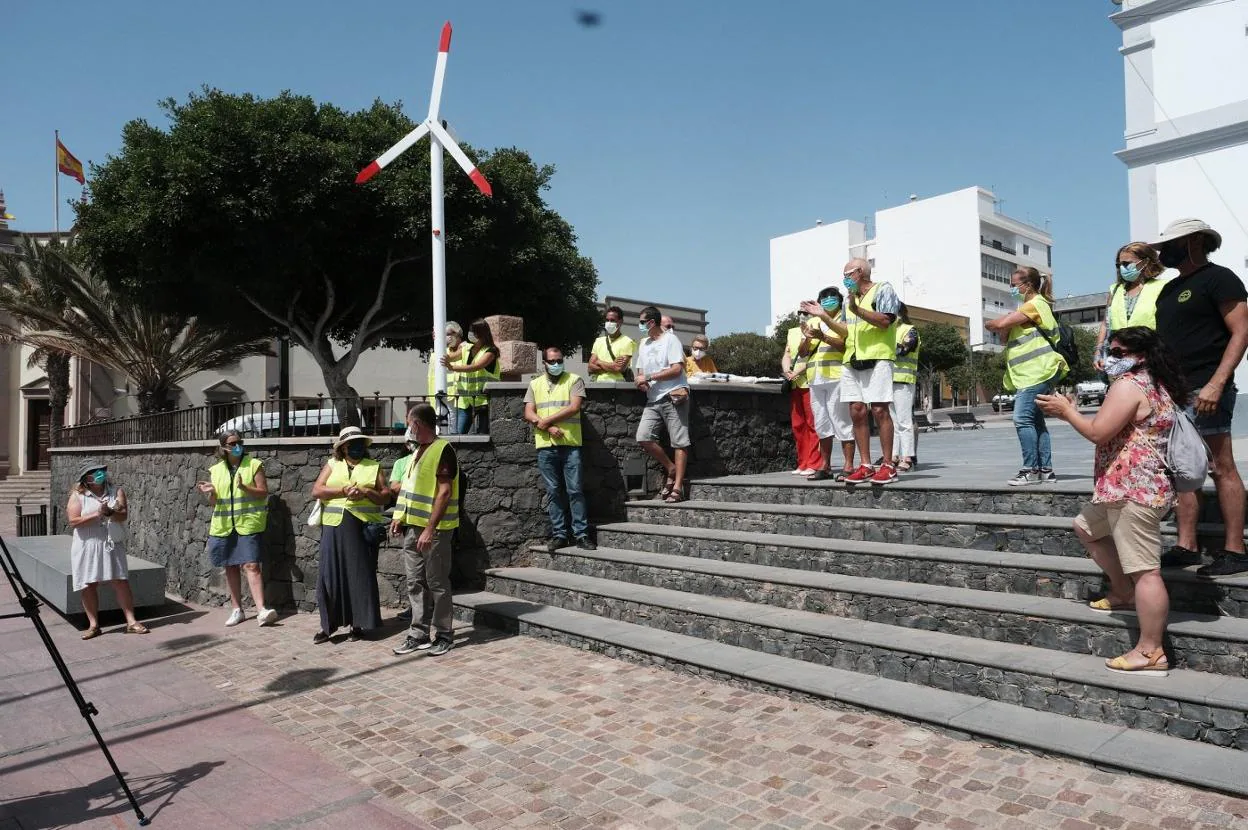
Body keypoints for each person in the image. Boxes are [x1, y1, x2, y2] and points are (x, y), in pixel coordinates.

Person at [1037, 326, 1186, 676]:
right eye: (1110, 350)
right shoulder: (1158, 383)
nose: (1110, 358)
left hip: (1133, 491)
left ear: (1141, 355)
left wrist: (1065, 411)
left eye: (1118, 352)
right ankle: (1121, 591)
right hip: (1126, 487)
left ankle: (1151, 650)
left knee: (1146, 572)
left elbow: (1097, 432)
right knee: (1085, 527)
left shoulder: (1129, 385)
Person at [1151, 219, 1248, 576]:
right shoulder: (1168, 290)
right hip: (1174, 393)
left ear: (1193, 241)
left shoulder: (1219, 278)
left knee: (1221, 466)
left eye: (1169, 245)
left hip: (1207, 388)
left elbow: (1241, 332)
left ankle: (1236, 550)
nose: (1162, 252)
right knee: (1182, 470)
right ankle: (1186, 545)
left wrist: (1216, 383)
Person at [813, 258, 900, 484]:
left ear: (860, 272)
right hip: (852, 360)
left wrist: (856, 309)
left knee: (879, 410)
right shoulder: (848, 302)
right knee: (857, 411)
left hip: (877, 357)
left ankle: (889, 465)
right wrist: (823, 317)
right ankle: (865, 465)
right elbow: (845, 329)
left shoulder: (883, 289)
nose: (844, 279)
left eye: (847, 274)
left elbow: (885, 321)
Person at [985, 266, 1068, 486]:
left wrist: (998, 322)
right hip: (1030, 374)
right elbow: (1003, 336)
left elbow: (998, 325)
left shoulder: (1036, 305)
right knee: (1036, 421)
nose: (1011, 288)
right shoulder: (1025, 310)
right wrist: (1002, 324)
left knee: (1021, 418)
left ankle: (1030, 469)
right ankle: (1045, 470)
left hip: (1038, 371)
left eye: (1014, 285)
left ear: (1028, 285)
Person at [391, 404, 460, 657]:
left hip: (435, 530)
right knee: (414, 582)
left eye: (410, 423)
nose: (408, 428)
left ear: (417, 424)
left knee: (437, 582)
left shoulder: (443, 450)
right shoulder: (417, 451)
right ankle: (418, 633)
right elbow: (409, 489)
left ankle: (443, 634)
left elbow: (444, 492)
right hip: (413, 527)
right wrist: (399, 517)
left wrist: (430, 528)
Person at [311, 426, 387, 643]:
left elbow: (385, 496)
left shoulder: (374, 466)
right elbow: (317, 490)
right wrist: (342, 491)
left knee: (360, 575)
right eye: (352, 444)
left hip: (361, 529)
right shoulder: (332, 464)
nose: (356, 447)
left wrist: (366, 492)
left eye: (360, 443)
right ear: (342, 447)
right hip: (333, 528)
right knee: (329, 576)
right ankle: (328, 626)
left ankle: (358, 624)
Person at [196, 431, 278, 627]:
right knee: (230, 565)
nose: (237, 446)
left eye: (240, 442)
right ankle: (237, 610)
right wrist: (211, 493)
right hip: (224, 525)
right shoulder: (215, 470)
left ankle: (261, 610)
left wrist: (245, 487)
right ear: (223, 447)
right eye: (232, 443)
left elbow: (263, 492)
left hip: (248, 522)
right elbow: (214, 503)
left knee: (252, 565)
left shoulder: (254, 465)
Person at [525, 346, 595, 551]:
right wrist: (547, 425)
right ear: (544, 364)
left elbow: (574, 407)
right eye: (552, 361)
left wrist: (546, 421)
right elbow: (528, 412)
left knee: (575, 491)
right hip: (546, 446)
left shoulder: (574, 380)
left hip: (570, 444)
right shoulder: (535, 384)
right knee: (553, 492)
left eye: (559, 360)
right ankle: (559, 535)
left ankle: (581, 535)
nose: (556, 364)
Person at [68, 462, 147, 638]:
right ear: (86, 478)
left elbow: (123, 515)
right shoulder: (78, 495)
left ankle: (131, 622)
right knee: (88, 584)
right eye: (94, 472)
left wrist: (110, 513)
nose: (99, 474)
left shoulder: (115, 491)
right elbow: (73, 521)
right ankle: (94, 625)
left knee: (120, 580)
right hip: (87, 544)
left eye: (101, 471)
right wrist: (97, 514)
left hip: (111, 542)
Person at [633, 305, 691, 503]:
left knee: (679, 441)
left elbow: (677, 369)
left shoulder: (671, 339)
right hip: (653, 398)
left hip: (672, 395)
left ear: (651, 322)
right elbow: (639, 370)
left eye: (642, 322)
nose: (639, 325)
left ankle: (678, 487)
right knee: (643, 437)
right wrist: (640, 381)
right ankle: (671, 467)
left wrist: (650, 376)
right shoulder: (643, 343)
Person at [799, 287, 856, 480]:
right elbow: (803, 352)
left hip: (836, 376)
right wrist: (806, 338)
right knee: (822, 423)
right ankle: (826, 466)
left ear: (840, 300)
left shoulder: (843, 318)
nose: (828, 300)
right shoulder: (813, 321)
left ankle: (848, 466)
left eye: (832, 297)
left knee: (841, 421)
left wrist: (822, 336)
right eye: (824, 297)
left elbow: (845, 344)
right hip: (815, 377)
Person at [1094, 243, 1167, 370]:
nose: (1122, 268)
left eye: (1127, 264)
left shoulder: (1162, 287)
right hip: (1119, 357)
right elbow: (1105, 323)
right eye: (1119, 265)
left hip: (1149, 356)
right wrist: (1098, 350)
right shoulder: (1115, 289)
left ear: (1145, 262)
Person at [781, 313, 822, 475]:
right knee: (798, 425)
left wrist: (797, 371)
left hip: (810, 381)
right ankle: (803, 462)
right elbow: (787, 354)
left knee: (813, 424)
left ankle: (815, 462)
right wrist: (787, 370)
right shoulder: (792, 331)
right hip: (794, 383)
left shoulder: (816, 330)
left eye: (805, 313)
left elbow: (814, 355)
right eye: (800, 313)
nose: (802, 316)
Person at [443, 318, 499, 434]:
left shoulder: (490, 351)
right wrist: (440, 341)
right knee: (459, 435)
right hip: (465, 400)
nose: (470, 334)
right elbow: (452, 356)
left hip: (483, 400)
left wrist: (452, 367)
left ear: (481, 333)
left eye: (473, 331)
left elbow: (476, 366)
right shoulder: (467, 348)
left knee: (484, 436)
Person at [389, 432, 417, 623]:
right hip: (407, 519)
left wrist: (406, 485)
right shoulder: (402, 463)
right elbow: (394, 487)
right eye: (412, 442)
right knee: (413, 571)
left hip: (429, 521)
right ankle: (415, 607)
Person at [890, 303, 921, 472]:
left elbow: (906, 349)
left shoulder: (910, 329)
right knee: (893, 422)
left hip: (903, 380)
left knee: (904, 421)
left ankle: (907, 457)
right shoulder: (887, 331)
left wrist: (886, 345)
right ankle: (894, 456)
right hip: (887, 381)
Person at [427, 321, 467, 433]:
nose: (448, 337)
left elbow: (455, 356)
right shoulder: (440, 352)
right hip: (441, 396)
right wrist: (439, 341)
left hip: (459, 397)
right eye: (445, 335)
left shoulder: (465, 348)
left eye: (450, 334)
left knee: (454, 429)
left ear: (458, 335)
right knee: (442, 430)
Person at [589, 306, 635, 382]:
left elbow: (618, 368)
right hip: (598, 385)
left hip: (617, 387)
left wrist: (599, 362)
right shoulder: (598, 341)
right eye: (607, 320)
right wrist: (612, 366)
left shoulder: (627, 342)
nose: (609, 323)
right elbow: (590, 368)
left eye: (612, 320)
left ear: (620, 322)